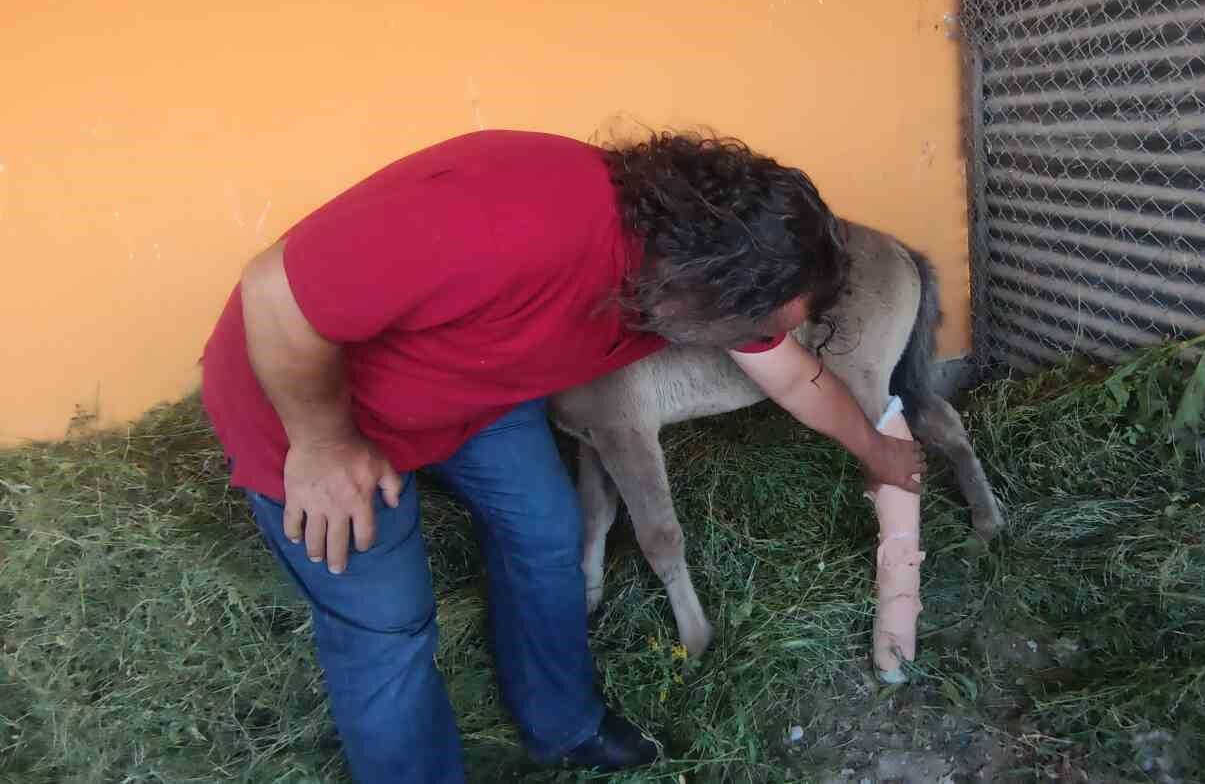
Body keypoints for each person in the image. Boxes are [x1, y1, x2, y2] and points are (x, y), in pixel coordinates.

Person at [198, 129, 927, 782]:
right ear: (716, 282)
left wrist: (876, 451)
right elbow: (275, 291)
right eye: (761, 319)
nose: (762, 337)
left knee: (547, 534)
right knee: (390, 624)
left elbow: (796, 377)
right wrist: (324, 446)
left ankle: (564, 727)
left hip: (474, 391)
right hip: (310, 411)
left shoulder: (693, 268)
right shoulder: (519, 217)